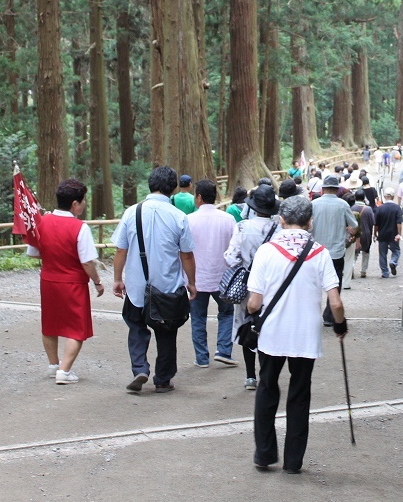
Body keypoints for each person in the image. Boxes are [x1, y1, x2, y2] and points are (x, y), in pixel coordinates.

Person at [248, 196, 347, 474]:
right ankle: (293, 462)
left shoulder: (267, 251)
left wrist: (253, 312)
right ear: (310, 222)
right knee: (300, 394)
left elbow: (254, 303)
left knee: (267, 389)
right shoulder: (320, 252)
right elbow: (335, 303)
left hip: (271, 334)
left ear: (281, 220)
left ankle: (265, 454)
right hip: (306, 336)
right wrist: (340, 326)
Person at [112, 166, 197, 394]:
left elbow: (121, 250)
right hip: (167, 287)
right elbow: (186, 254)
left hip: (137, 288)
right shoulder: (179, 217)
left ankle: (139, 367)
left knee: (136, 326)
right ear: (173, 188)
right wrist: (192, 282)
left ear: (150, 184)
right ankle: (163, 379)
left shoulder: (132, 212)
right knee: (167, 332)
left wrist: (117, 279)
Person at [27, 178, 103, 385]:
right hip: (73, 283)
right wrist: (97, 281)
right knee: (76, 328)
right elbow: (87, 262)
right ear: (74, 204)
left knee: (50, 324)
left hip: (49, 280)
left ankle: (53, 365)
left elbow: (33, 253)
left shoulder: (41, 222)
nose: (84, 204)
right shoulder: (80, 228)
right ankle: (64, 370)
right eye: (83, 201)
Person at [224, 184, 282, 389]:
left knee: (246, 326)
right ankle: (267, 373)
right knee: (269, 327)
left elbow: (231, 258)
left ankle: (250, 377)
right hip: (273, 286)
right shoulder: (280, 229)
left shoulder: (242, 227)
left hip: (247, 286)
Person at [186, 179, 238, 368]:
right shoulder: (228, 219)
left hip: (197, 278)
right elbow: (235, 249)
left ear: (198, 197)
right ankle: (223, 350)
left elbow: (183, 251)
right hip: (223, 277)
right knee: (226, 313)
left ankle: (201, 357)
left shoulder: (189, 220)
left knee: (198, 316)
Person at [310, 175, 358, 324]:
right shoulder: (343, 204)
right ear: (337, 190)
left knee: (313, 283)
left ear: (323, 188)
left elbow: (307, 226)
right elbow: (354, 225)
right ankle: (329, 316)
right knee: (334, 283)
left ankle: (311, 314)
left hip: (315, 251)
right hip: (336, 252)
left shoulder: (313, 204)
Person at [374, 186, 403, 278]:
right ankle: (393, 262)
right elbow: (399, 223)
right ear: (393, 196)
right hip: (393, 234)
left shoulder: (379, 208)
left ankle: (385, 272)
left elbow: (376, 224)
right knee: (396, 250)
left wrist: (374, 234)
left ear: (384, 196)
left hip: (382, 234)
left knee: (382, 253)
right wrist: (399, 234)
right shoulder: (397, 208)